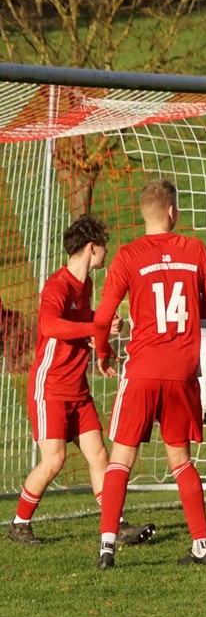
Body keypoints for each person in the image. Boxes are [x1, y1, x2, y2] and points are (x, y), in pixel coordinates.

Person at [92, 179, 206, 569]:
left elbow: (103, 316)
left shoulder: (129, 255)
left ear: (144, 213)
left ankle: (107, 547)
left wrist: (103, 351)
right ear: (172, 211)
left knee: (121, 459)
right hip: (182, 371)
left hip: (143, 369)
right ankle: (202, 545)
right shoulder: (195, 249)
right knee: (180, 460)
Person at [7, 215, 154, 547]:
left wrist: (102, 334)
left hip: (77, 387)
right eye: (104, 245)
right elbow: (50, 326)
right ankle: (19, 523)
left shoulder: (85, 285)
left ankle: (116, 525)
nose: (107, 251)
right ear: (92, 247)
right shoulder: (58, 286)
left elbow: (83, 321)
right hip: (50, 387)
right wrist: (95, 326)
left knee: (99, 455)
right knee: (54, 460)